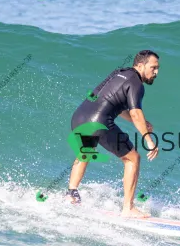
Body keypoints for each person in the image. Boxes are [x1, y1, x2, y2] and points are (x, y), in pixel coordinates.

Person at [66, 50, 160, 218]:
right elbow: (135, 113)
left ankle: (71, 194)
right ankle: (128, 208)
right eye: (153, 67)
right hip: (98, 122)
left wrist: (140, 122)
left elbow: (112, 103)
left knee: (86, 152)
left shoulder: (118, 73)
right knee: (133, 158)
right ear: (140, 65)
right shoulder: (136, 83)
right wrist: (149, 140)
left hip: (80, 117)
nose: (156, 72)